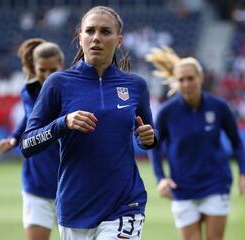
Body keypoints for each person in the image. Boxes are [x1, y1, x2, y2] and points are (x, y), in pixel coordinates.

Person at [20, 6, 157, 240]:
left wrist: (148, 138)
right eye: (90, 31)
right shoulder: (58, 83)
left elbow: (148, 136)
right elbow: (27, 144)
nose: (96, 38)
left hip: (125, 204)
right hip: (75, 206)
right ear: (80, 37)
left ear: (119, 40)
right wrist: (63, 123)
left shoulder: (136, 85)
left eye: (105, 32)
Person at [146, 46, 245, 240]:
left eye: (191, 78)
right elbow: (155, 147)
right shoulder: (166, 112)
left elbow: (237, 143)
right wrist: (161, 178)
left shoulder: (219, 107)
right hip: (182, 188)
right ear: (176, 82)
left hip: (216, 184)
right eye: (181, 80)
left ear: (201, 78)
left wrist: (244, 174)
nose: (187, 83)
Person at [0, 38, 64, 240]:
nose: (47, 75)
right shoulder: (28, 92)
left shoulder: (73, 91)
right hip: (37, 182)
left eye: (53, 70)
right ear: (34, 69)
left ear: (62, 66)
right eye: (42, 70)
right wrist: (14, 138)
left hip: (69, 184)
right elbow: (29, 117)